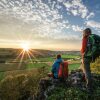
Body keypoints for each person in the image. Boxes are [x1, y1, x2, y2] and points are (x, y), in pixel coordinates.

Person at [81, 28, 93, 93]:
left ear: (85, 33)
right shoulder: (91, 38)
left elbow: (83, 49)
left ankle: (89, 88)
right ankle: (88, 81)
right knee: (88, 70)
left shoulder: (85, 38)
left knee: (87, 71)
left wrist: (82, 52)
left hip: (86, 57)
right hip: (90, 57)